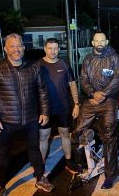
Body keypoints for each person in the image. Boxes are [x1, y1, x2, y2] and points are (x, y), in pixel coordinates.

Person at [0, 33, 54, 195]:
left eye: (19, 45)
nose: (16, 49)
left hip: (30, 119)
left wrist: (44, 112)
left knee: (34, 150)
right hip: (6, 121)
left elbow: (42, 91)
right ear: (5, 49)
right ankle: (0, 185)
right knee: (3, 153)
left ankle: (40, 177)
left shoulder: (33, 67)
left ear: (23, 47)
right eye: (12, 46)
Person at [72, 31, 119, 189]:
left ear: (106, 41)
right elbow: (83, 79)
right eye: (97, 41)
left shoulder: (114, 57)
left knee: (108, 136)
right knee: (77, 132)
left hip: (108, 101)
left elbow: (117, 79)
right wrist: (92, 93)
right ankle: (80, 165)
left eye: (102, 40)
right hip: (91, 99)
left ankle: (110, 175)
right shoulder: (87, 59)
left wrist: (104, 94)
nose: (100, 43)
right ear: (93, 43)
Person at [38, 38, 80, 173]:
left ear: (59, 49)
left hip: (63, 107)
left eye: (56, 48)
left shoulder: (64, 64)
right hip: (45, 109)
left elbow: (72, 84)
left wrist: (77, 104)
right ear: (45, 49)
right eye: (50, 48)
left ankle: (68, 161)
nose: (53, 51)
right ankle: (41, 164)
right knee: (44, 136)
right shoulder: (38, 66)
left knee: (65, 134)